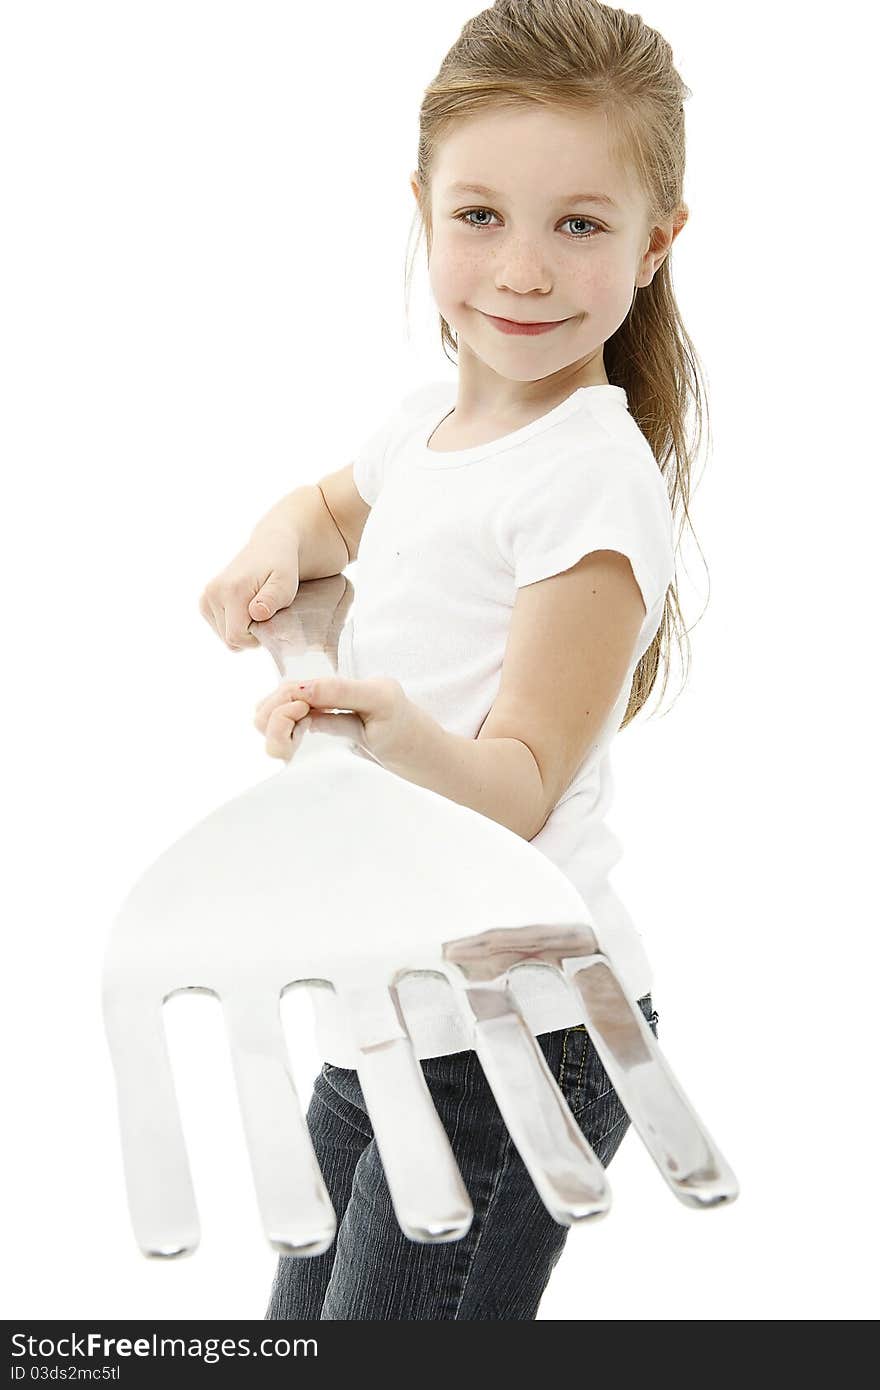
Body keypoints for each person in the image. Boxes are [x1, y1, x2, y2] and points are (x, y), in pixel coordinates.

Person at [199, 0, 704, 1321]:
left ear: (656, 245)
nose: (524, 269)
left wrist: (381, 724)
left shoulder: (594, 485)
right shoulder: (428, 423)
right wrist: (271, 542)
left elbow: (522, 785)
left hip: (527, 1028)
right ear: (420, 209)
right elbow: (327, 506)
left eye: (578, 224)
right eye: (480, 216)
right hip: (398, 1002)